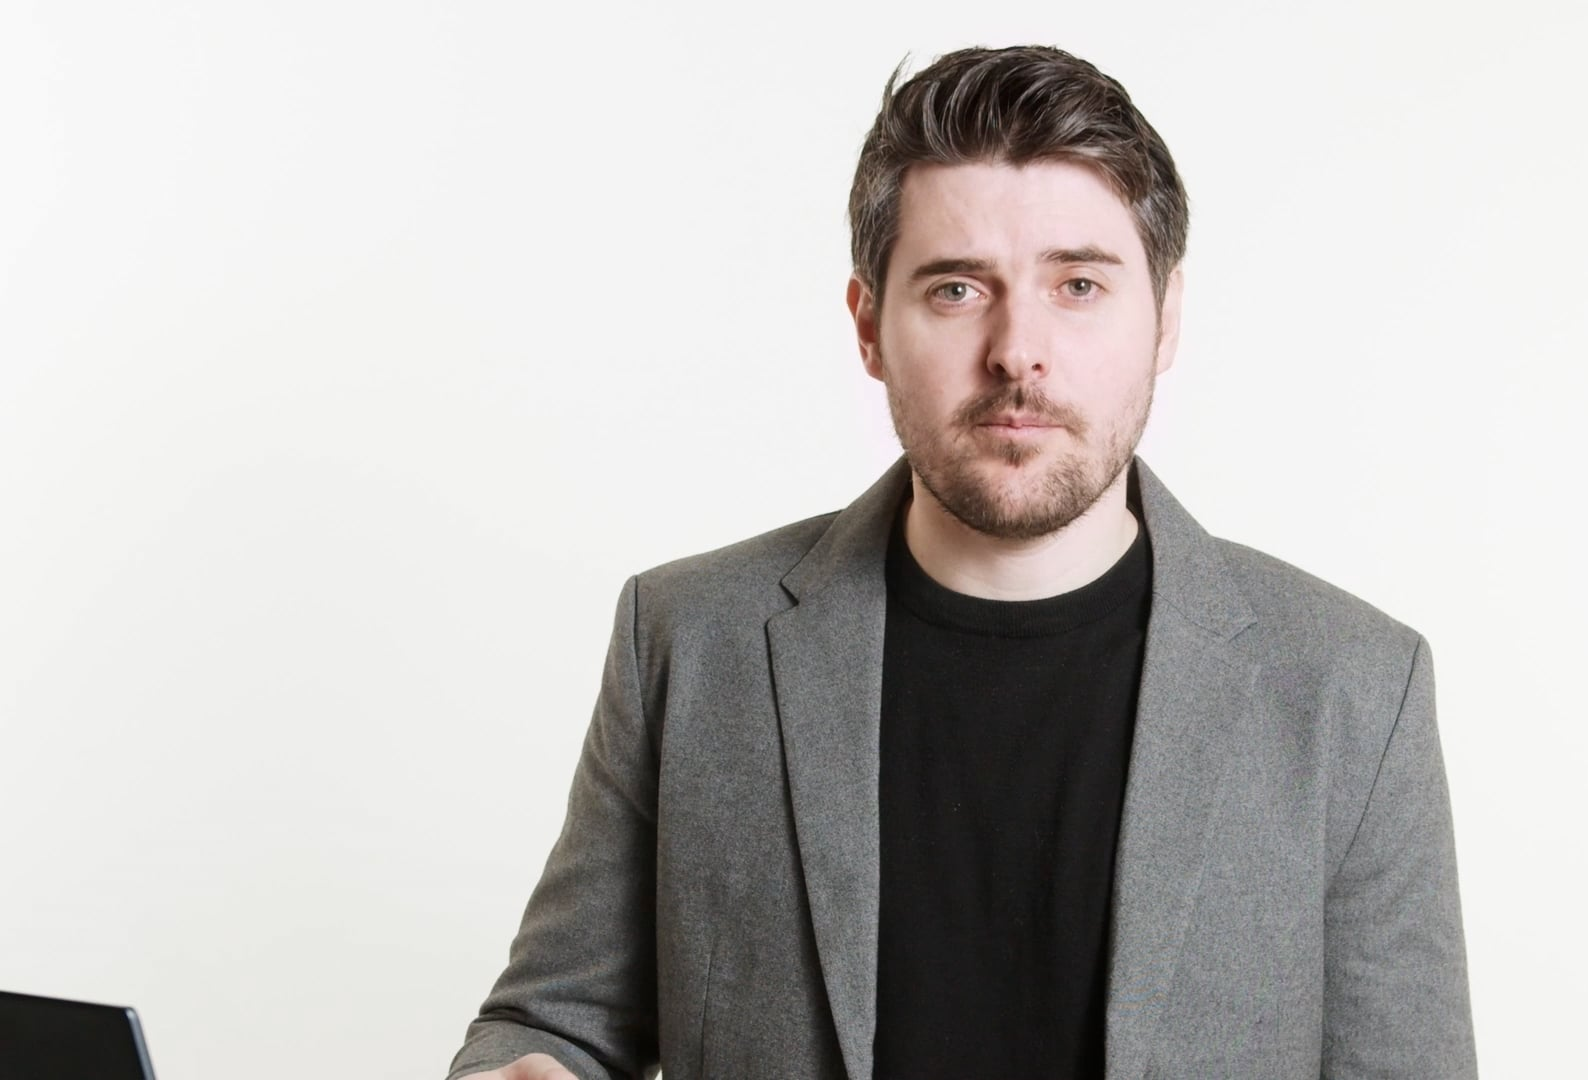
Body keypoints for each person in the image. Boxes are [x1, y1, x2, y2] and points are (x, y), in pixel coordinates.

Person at [445, 44, 1475, 1080]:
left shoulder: (1354, 689)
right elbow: (556, 1021)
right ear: (869, 327)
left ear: (1165, 318)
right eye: (955, 289)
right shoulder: (687, 639)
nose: (1018, 349)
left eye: (1079, 284)